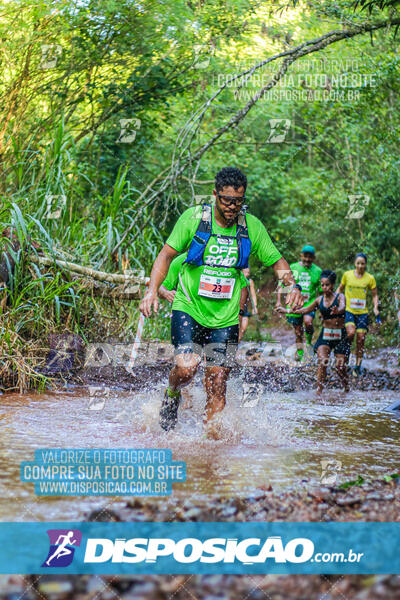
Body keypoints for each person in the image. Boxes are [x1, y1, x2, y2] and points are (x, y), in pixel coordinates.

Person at [140, 166, 303, 435]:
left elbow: (277, 261)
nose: (232, 207)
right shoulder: (194, 219)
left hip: (226, 318)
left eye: (238, 201)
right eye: (226, 200)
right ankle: (171, 393)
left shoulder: (251, 226)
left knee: (217, 380)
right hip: (189, 308)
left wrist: (291, 285)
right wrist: (151, 291)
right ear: (215, 194)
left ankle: (210, 444)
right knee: (187, 368)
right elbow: (166, 255)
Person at [277, 270, 350, 394]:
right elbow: (305, 310)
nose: (324, 287)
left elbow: (343, 306)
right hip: (325, 335)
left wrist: (338, 310)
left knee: (340, 367)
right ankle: (319, 392)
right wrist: (286, 310)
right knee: (322, 362)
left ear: (332, 285)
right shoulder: (318, 300)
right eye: (322, 284)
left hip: (340, 336)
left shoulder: (340, 297)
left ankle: (346, 388)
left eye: (327, 285)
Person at [336, 253, 380, 377]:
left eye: (363, 263)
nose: (360, 266)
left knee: (361, 339)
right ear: (355, 263)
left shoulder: (370, 278)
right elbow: (340, 289)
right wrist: (334, 301)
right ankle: (345, 361)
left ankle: (358, 366)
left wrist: (376, 307)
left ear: (366, 264)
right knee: (350, 334)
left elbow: (375, 294)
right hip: (349, 311)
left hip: (362, 313)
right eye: (358, 263)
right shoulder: (347, 275)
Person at [276, 245, 322, 361]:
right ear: (301, 256)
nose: (307, 259)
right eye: (305, 256)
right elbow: (281, 285)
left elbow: (322, 293)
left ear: (314, 258)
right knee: (297, 331)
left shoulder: (318, 271)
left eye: (310, 257)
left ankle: (309, 343)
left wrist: (322, 309)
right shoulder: (292, 267)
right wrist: (278, 301)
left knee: (308, 322)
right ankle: (300, 353)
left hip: (309, 304)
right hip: (294, 305)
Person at [238, 267, 258, 342]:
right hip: (235, 306)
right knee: (237, 327)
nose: (247, 274)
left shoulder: (249, 281)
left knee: (244, 328)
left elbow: (253, 294)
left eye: (248, 273)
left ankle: (238, 340)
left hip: (244, 307)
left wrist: (255, 307)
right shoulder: (238, 279)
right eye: (245, 272)